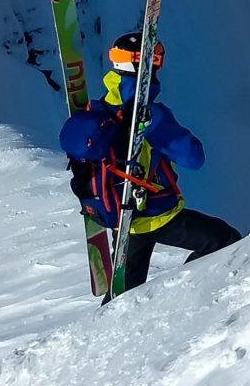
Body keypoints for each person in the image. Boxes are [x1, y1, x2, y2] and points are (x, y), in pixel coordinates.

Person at [59, 31, 240, 289]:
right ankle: (182, 293)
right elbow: (193, 157)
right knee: (225, 241)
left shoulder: (98, 111)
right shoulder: (151, 116)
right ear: (147, 65)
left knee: (124, 293)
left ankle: (101, 328)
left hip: (122, 219)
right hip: (158, 215)